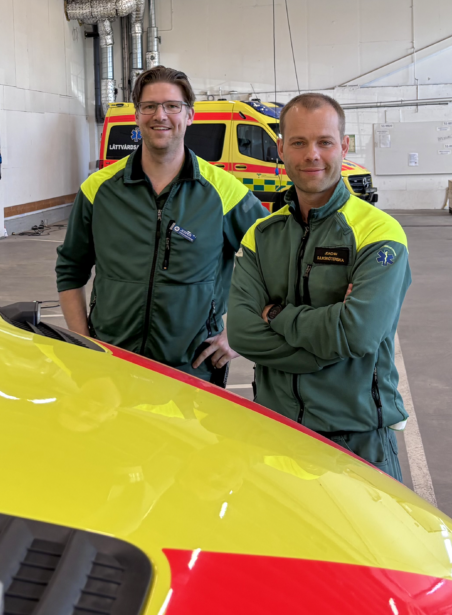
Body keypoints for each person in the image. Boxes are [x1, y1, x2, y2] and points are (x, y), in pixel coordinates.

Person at [227, 93, 412, 479]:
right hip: (278, 433)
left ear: (343, 147)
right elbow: (243, 333)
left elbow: (358, 333)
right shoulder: (260, 235)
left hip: (358, 439)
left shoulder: (378, 232)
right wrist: (332, 345)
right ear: (281, 150)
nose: (312, 154)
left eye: (324, 142)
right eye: (299, 142)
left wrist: (277, 315)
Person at [56, 66, 268, 384]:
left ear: (190, 115)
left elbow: (274, 261)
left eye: (172, 106)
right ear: (136, 115)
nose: (160, 115)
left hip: (193, 370)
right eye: (149, 106)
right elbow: (70, 268)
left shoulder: (224, 192)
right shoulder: (97, 190)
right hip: (112, 367)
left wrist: (239, 333)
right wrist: (84, 343)